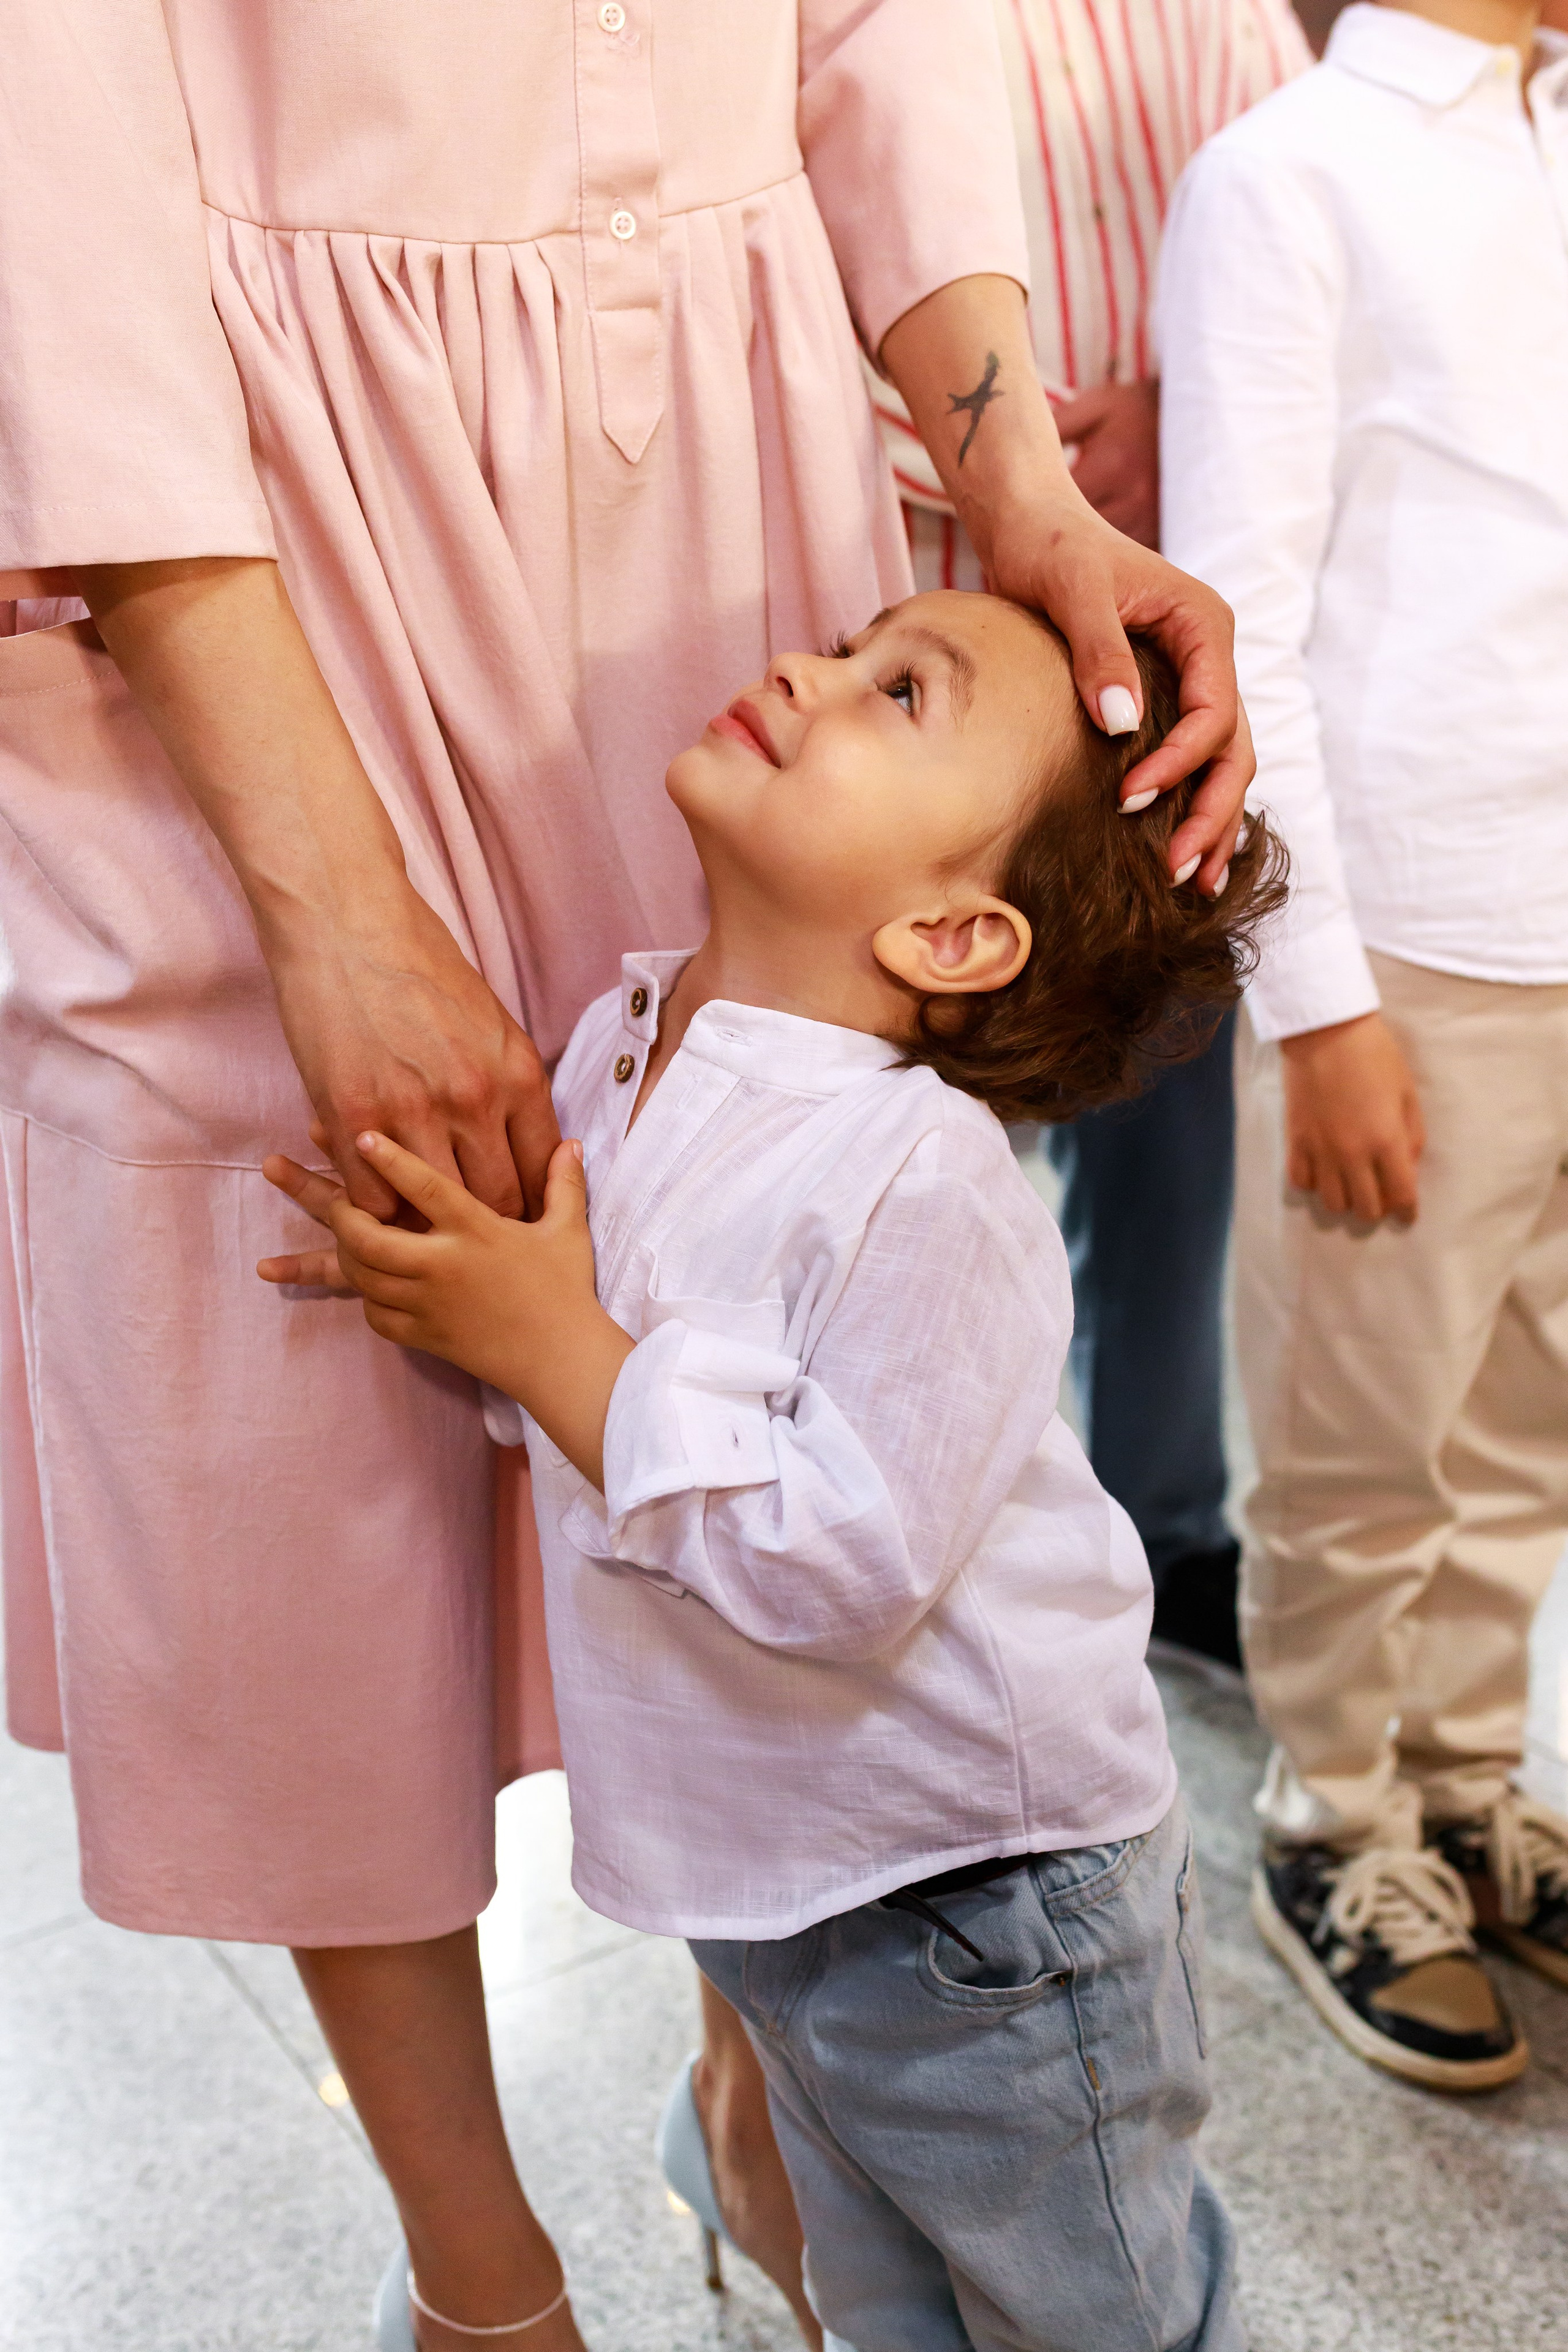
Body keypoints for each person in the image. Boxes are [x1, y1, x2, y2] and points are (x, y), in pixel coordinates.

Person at [0, 4, 1255, 2342]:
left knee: (712, 1243)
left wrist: (1020, 498)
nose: (862, 678)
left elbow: (884, 33)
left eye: (903, 682)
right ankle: (481, 2280)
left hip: (720, 394)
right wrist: (334, 907)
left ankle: (773, 2086)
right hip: (227, 465)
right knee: (295, 1418)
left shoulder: (849, 964)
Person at [263, 586, 1285, 2352]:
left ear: (956, 938)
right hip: (776, 1888)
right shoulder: (624, 1045)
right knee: (881, 2305)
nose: (812, 672)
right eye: (857, 644)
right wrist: (465, 1308)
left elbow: (843, 1567)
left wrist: (550, 1344)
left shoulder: (926, 1180)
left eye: (903, 693)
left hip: (985, 1909)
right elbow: (596, 1435)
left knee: (1087, 2319)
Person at [1159, 0, 1568, 2091]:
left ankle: (1470, 1780)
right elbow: (1243, 614)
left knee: (1526, 1415)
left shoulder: (1550, 131)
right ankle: (1334, 1817)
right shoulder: (1288, 171)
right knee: (1362, 1425)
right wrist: (1318, 1003)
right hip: (1413, 931)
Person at [869, 0, 1312, 1669]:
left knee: (1165, 1100)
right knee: (904, 1118)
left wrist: (1164, 399)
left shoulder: (1209, 14)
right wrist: (1018, 466)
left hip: (1144, 607)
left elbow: (1278, 215)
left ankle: (1165, 1529)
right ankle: (920, 1545)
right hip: (909, 606)